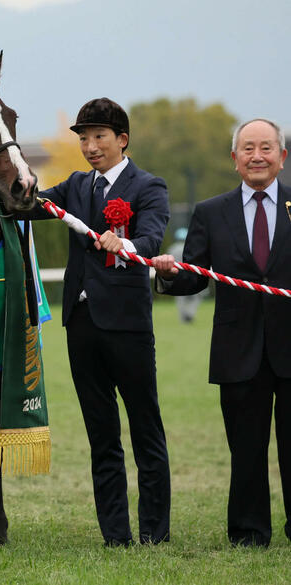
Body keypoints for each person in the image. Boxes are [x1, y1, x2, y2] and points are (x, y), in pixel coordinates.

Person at [35, 98, 171, 546]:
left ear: (122, 140)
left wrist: (127, 244)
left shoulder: (149, 186)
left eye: (99, 137)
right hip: (81, 324)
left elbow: (152, 235)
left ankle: (154, 532)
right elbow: (27, 206)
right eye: (83, 139)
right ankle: (115, 534)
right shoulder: (74, 186)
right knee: (101, 434)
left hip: (128, 326)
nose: (90, 147)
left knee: (145, 429)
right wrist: (1, 179)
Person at [153, 118, 291, 547]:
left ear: (282, 157)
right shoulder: (210, 213)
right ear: (234, 159)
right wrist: (168, 275)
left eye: (266, 147)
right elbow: (195, 276)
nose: (257, 156)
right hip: (238, 351)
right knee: (246, 450)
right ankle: (250, 532)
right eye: (247, 148)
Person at [165, 227, 208, 323]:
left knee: (180, 298)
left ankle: (183, 317)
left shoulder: (172, 248)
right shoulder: (192, 247)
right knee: (196, 296)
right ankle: (190, 314)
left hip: (177, 277)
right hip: (191, 275)